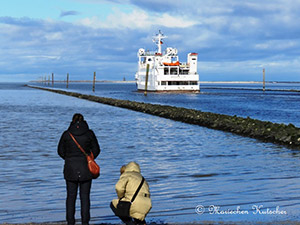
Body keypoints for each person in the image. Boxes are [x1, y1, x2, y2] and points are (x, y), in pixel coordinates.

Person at [58, 113, 100, 225]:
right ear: (84, 121)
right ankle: (85, 222)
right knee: (85, 197)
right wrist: (90, 159)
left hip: (70, 169)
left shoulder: (66, 134)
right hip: (86, 169)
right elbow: (97, 150)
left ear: (72, 121)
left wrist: (69, 158)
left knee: (71, 197)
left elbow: (60, 151)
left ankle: (70, 222)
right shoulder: (89, 134)